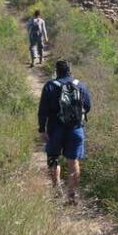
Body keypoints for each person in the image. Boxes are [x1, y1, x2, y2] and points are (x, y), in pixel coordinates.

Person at [38, 60, 92, 205]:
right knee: (73, 161)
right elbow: (87, 106)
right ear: (70, 70)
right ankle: (71, 195)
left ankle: (57, 190)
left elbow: (43, 111)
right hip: (76, 129)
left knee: (53, 158)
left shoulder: (50, 86)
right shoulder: (80, 85)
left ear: (57, 71)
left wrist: (42, 129)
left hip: (55, 129)